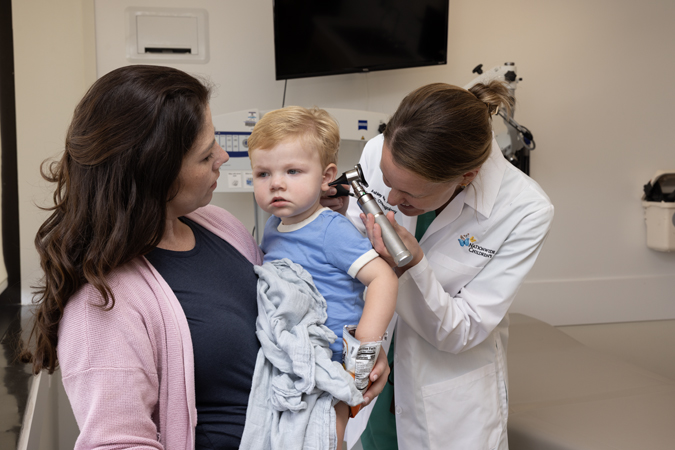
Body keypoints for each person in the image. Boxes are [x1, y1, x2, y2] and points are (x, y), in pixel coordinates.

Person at [20, 65, 389, 450]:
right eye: (204, 155)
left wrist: (361, 361)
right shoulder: (102, 303)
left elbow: (288, 313)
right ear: (156, 174)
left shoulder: (218, 225)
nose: (223, 157)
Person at [325, 82, 555, 450]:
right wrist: (332, 217)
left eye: (411, 194)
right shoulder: (377, 152)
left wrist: (414, 264)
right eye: (387, 183)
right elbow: (350, 257)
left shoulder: (525, 210)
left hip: (445, 397)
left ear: (467, 177)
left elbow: (462, 330)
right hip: (368, 374)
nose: (394, 201)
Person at [247, 106, 399, 444]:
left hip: (332, 364)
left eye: (293, 171)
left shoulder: (331, 230)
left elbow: (383, 278)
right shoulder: (273, 228)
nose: (277, 184)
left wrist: (365, 350)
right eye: (263, 174)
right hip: (293, 362)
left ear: (326, 176)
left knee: (328, 440)